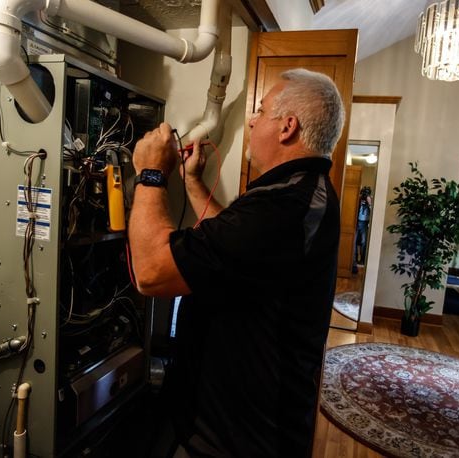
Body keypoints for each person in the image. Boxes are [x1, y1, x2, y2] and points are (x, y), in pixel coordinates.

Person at [128, 68, 345, 457]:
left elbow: (152, 273)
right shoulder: (298, 194)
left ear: (287, 127)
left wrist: (150, 174)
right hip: (235, 424)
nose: (251, 119)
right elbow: (228, 249)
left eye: (260, 111)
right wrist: (193, 183)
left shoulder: (284, 207)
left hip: (237, 438)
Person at [352, 186, 372, 274]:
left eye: (366, 193)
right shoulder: (358, 199)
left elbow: (373, 212)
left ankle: (362, 260)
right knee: (354, 241)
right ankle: (354, 260)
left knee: (364, 242)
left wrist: (369, 204)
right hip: (356, 222)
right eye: (364, 193)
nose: (365, 195)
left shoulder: (370, 200)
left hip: (364, 223)